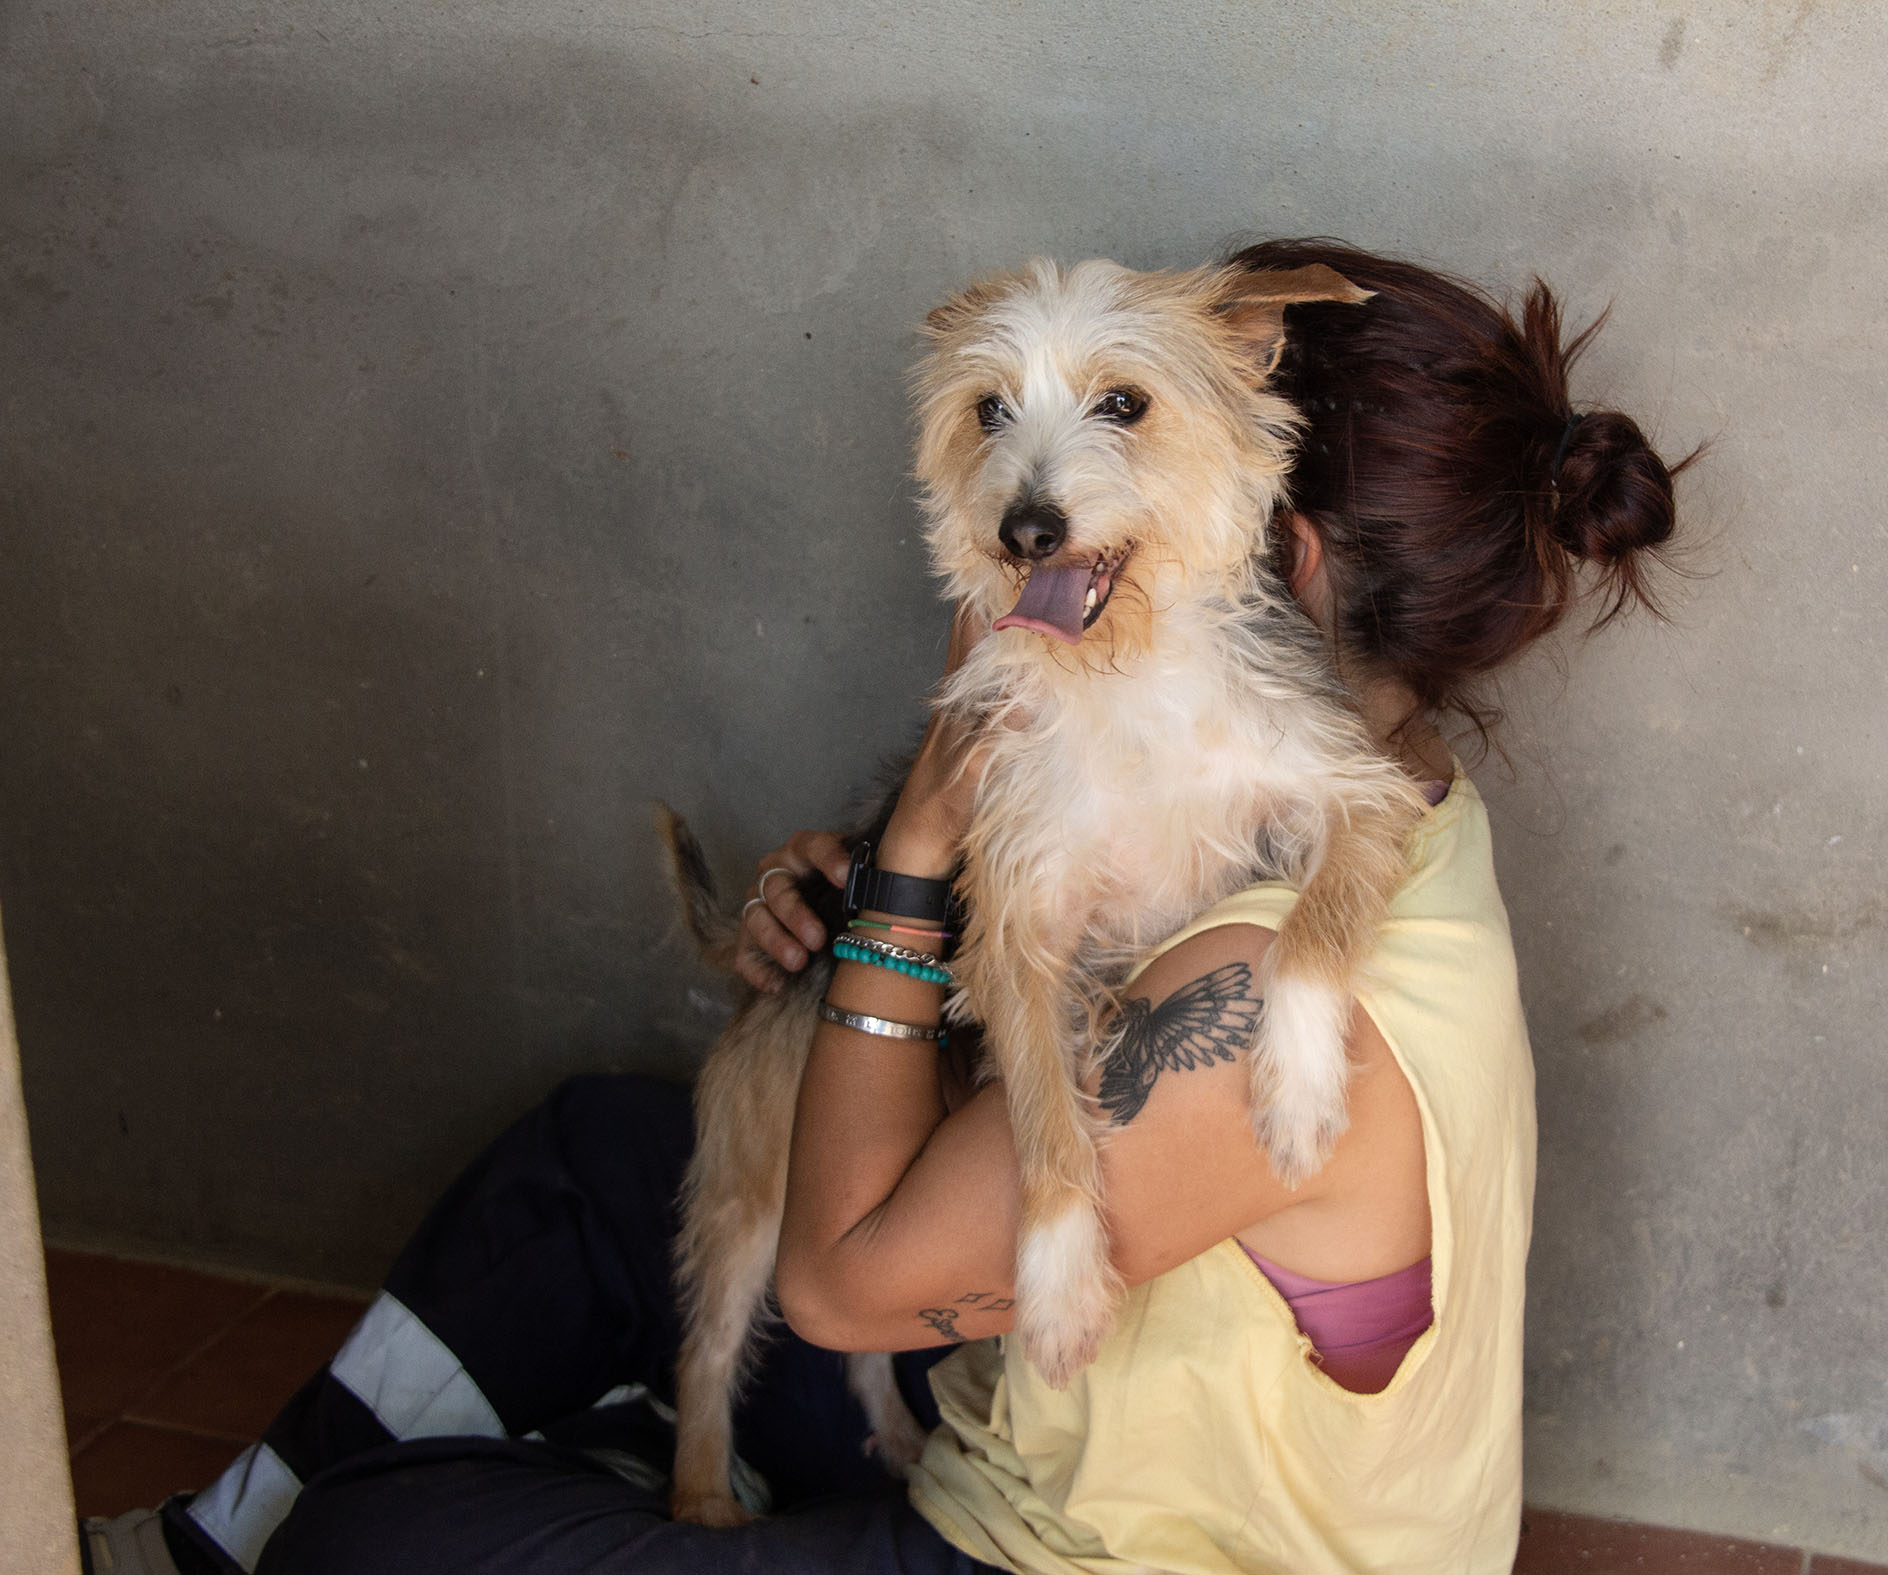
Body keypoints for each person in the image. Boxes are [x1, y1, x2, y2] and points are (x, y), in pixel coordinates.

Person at [101, 238, 1684, 1575]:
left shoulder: (1265, 977)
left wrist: (913, 862)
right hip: (1019, 1401)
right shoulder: (1387, 797)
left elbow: (837, 1286)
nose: (1033, 507)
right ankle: (230, 1538)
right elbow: (1027, 993)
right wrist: (868, 921)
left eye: (1128, 422)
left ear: (1275, 537)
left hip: (1067, 1552)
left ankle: (385, 1511)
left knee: (373, 1540)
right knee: (597, 1153)